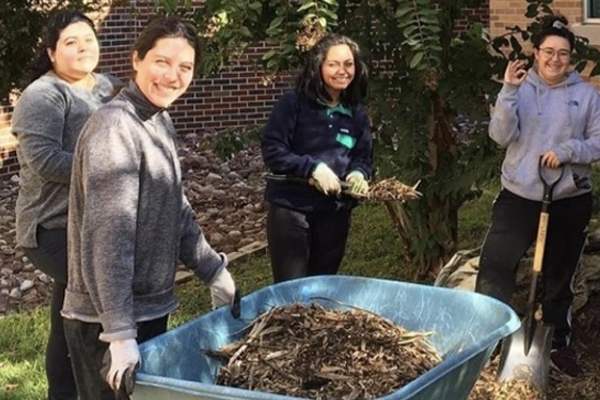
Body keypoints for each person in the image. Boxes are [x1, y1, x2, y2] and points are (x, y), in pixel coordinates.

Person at [60, 16, 236, 400]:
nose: (173, 76)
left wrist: (212, 269)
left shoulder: (157, 120)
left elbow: (175, 208)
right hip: (105, 322)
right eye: (162, 61)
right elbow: (110, 235)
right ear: (136, 59)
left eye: (185, 67)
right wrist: (120, 333)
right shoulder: (115, 128)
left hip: (143, 311)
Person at [475, 15, 600, 378]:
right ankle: (486, 341)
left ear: (571, 57)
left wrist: (569, 150)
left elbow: (597, 142)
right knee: (495, 267)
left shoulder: (586, 95)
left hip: (569, 198)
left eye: (563, 53)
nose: (555, 59)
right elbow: (500, 136)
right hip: (520, 196)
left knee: (560, 277)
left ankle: (556, 343)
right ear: (536, 52)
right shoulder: (518, 87)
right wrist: (508, 90)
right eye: (548, 51)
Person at [11, 9, 121, 400]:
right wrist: (114, 165)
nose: (82, 48)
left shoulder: (109, 87)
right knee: (99, 301)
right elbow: (47, 162)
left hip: (95, 224)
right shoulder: (43, 95)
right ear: (52, 52)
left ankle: (62, 392)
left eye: (88, 40)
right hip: (52, 229)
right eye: (70, 43)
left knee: (68, 313)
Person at [261, 33, 372, 283]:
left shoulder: (356, 114)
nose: (342, 71)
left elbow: (363, 157)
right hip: (291, 211)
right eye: (333, 64)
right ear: (318, 66)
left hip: (334, 212)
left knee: (322, 287)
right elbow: (273, 150)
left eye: (349, 64)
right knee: (291, 291)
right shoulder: (293, 104)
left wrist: (359, 174)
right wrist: (311, 169)